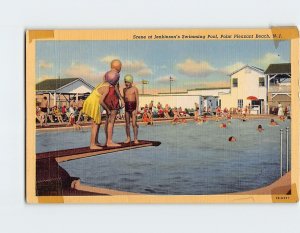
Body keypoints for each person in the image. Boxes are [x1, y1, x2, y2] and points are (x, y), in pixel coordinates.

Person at [82, 59, 123, 149]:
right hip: (96, 102)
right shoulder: (111, 83)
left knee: (97, 122)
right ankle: (94, 144)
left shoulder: (106, 78)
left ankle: (96, 141)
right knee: (97, 123)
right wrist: (109, 109)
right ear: (119, 67)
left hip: (92, 101)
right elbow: (102, 100)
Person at [123, 74, 139, 144]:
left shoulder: (135, 89)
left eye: (128, 82)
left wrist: (136, 109)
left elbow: (137, 100)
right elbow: (124, 98)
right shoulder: (124, 89)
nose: (127, 84)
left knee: (134, 124)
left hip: (133, 106)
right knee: (127, 124)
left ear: (131, 82)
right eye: (126, 82)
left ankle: (135, 138)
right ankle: (128, 138)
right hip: (127, 107)